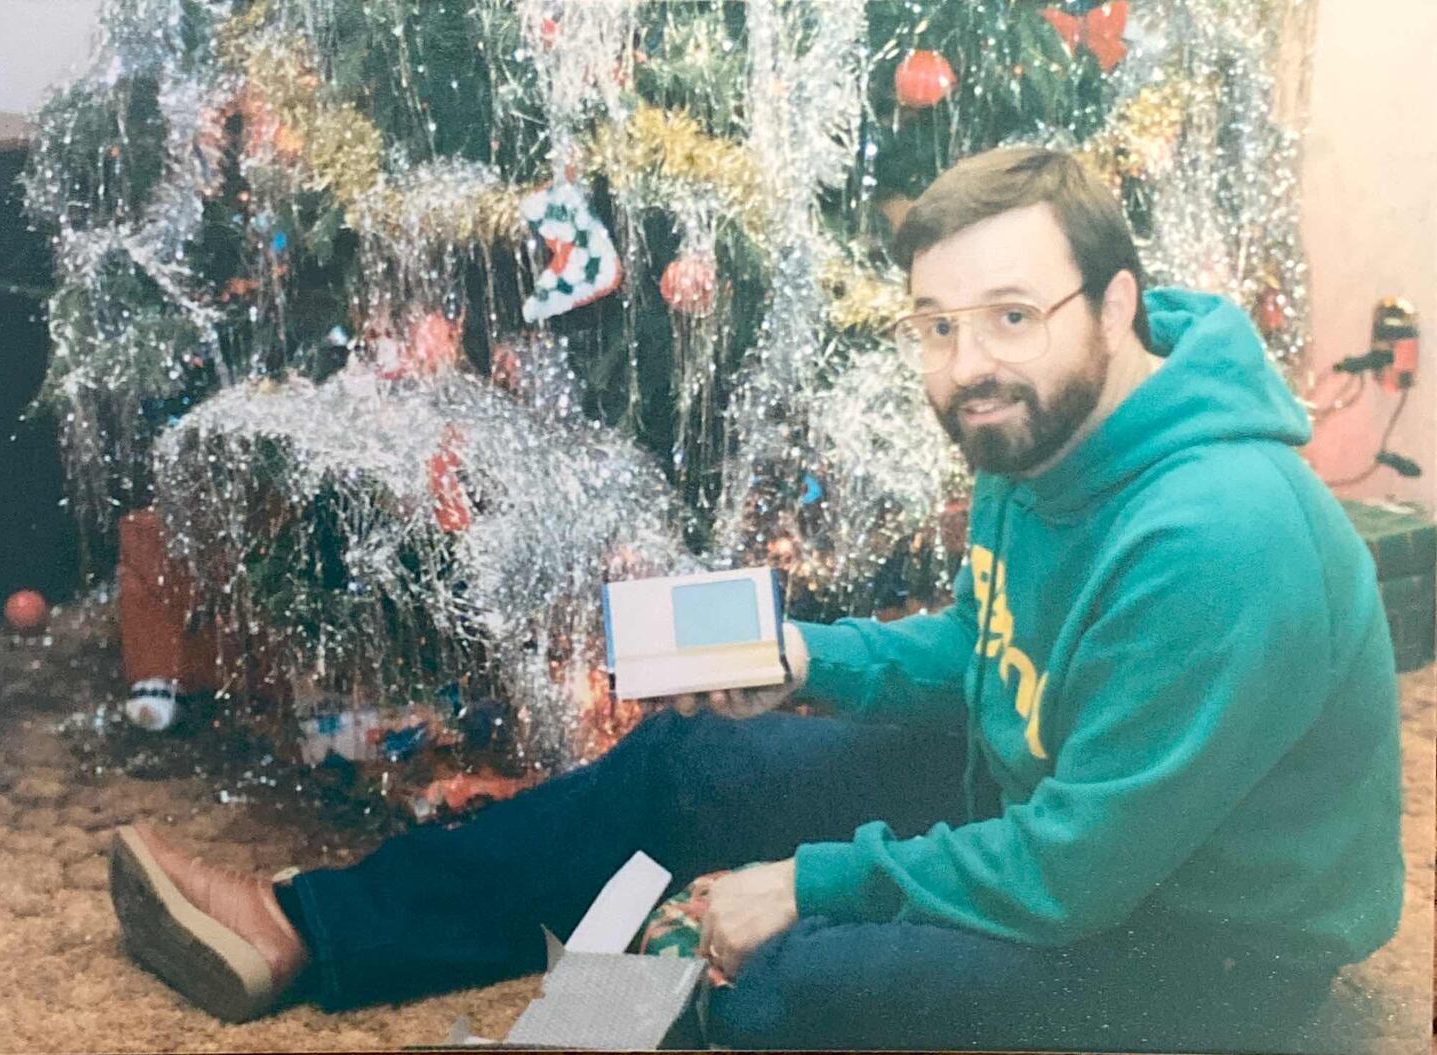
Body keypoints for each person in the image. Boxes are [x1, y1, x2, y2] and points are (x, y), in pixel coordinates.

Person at [107, 146, 1404, 1052]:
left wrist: (807, 885)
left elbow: (1073, 878)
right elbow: (990, 650)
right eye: (937, 324)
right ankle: (303, 929)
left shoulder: (1217, 540)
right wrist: (809, 659)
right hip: (1068, 811)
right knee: (692, 761)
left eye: (1013, 314)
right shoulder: (1043, 429)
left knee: (777, 976)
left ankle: (603, 1014)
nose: (968, 366)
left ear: (1116, 302)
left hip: (1207, 933)